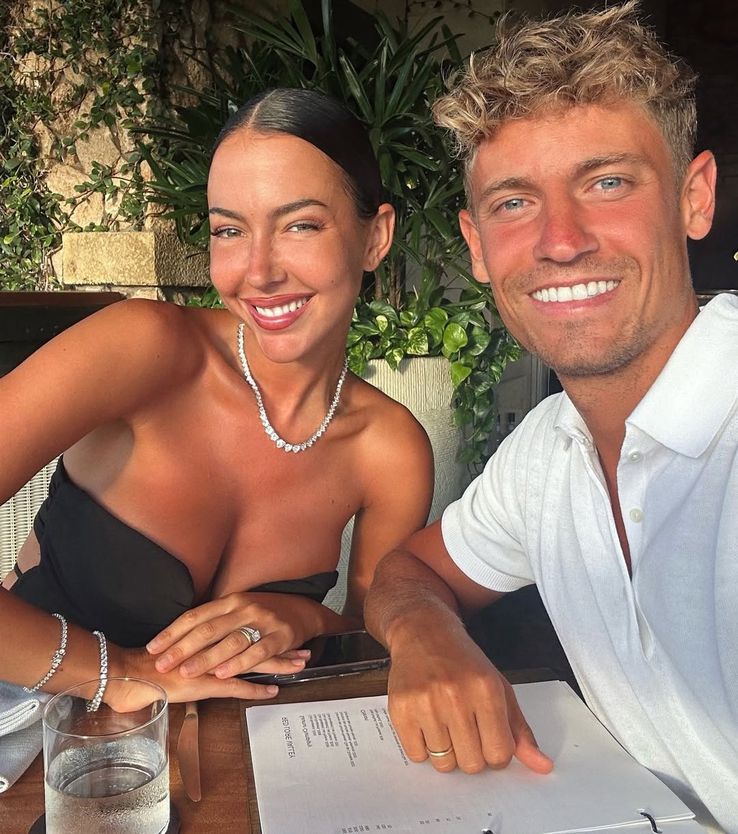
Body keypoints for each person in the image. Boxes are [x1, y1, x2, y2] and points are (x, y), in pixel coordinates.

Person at [363, 4, 736, 832]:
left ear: (694, 197)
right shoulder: (550, 448)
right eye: (513, 203)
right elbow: (409, 571)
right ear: (475, 244)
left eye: (607, 183)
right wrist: (426, 634)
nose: (560, 241)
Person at [0, 88, 433, 707]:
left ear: (375, 237)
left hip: (238, 751)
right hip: (26, 722)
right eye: (230, 231)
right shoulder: (145, 348)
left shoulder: (389, 449)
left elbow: (370, 644)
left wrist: (306, 616)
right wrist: (121, 674)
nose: (258, 272)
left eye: (300, 225)